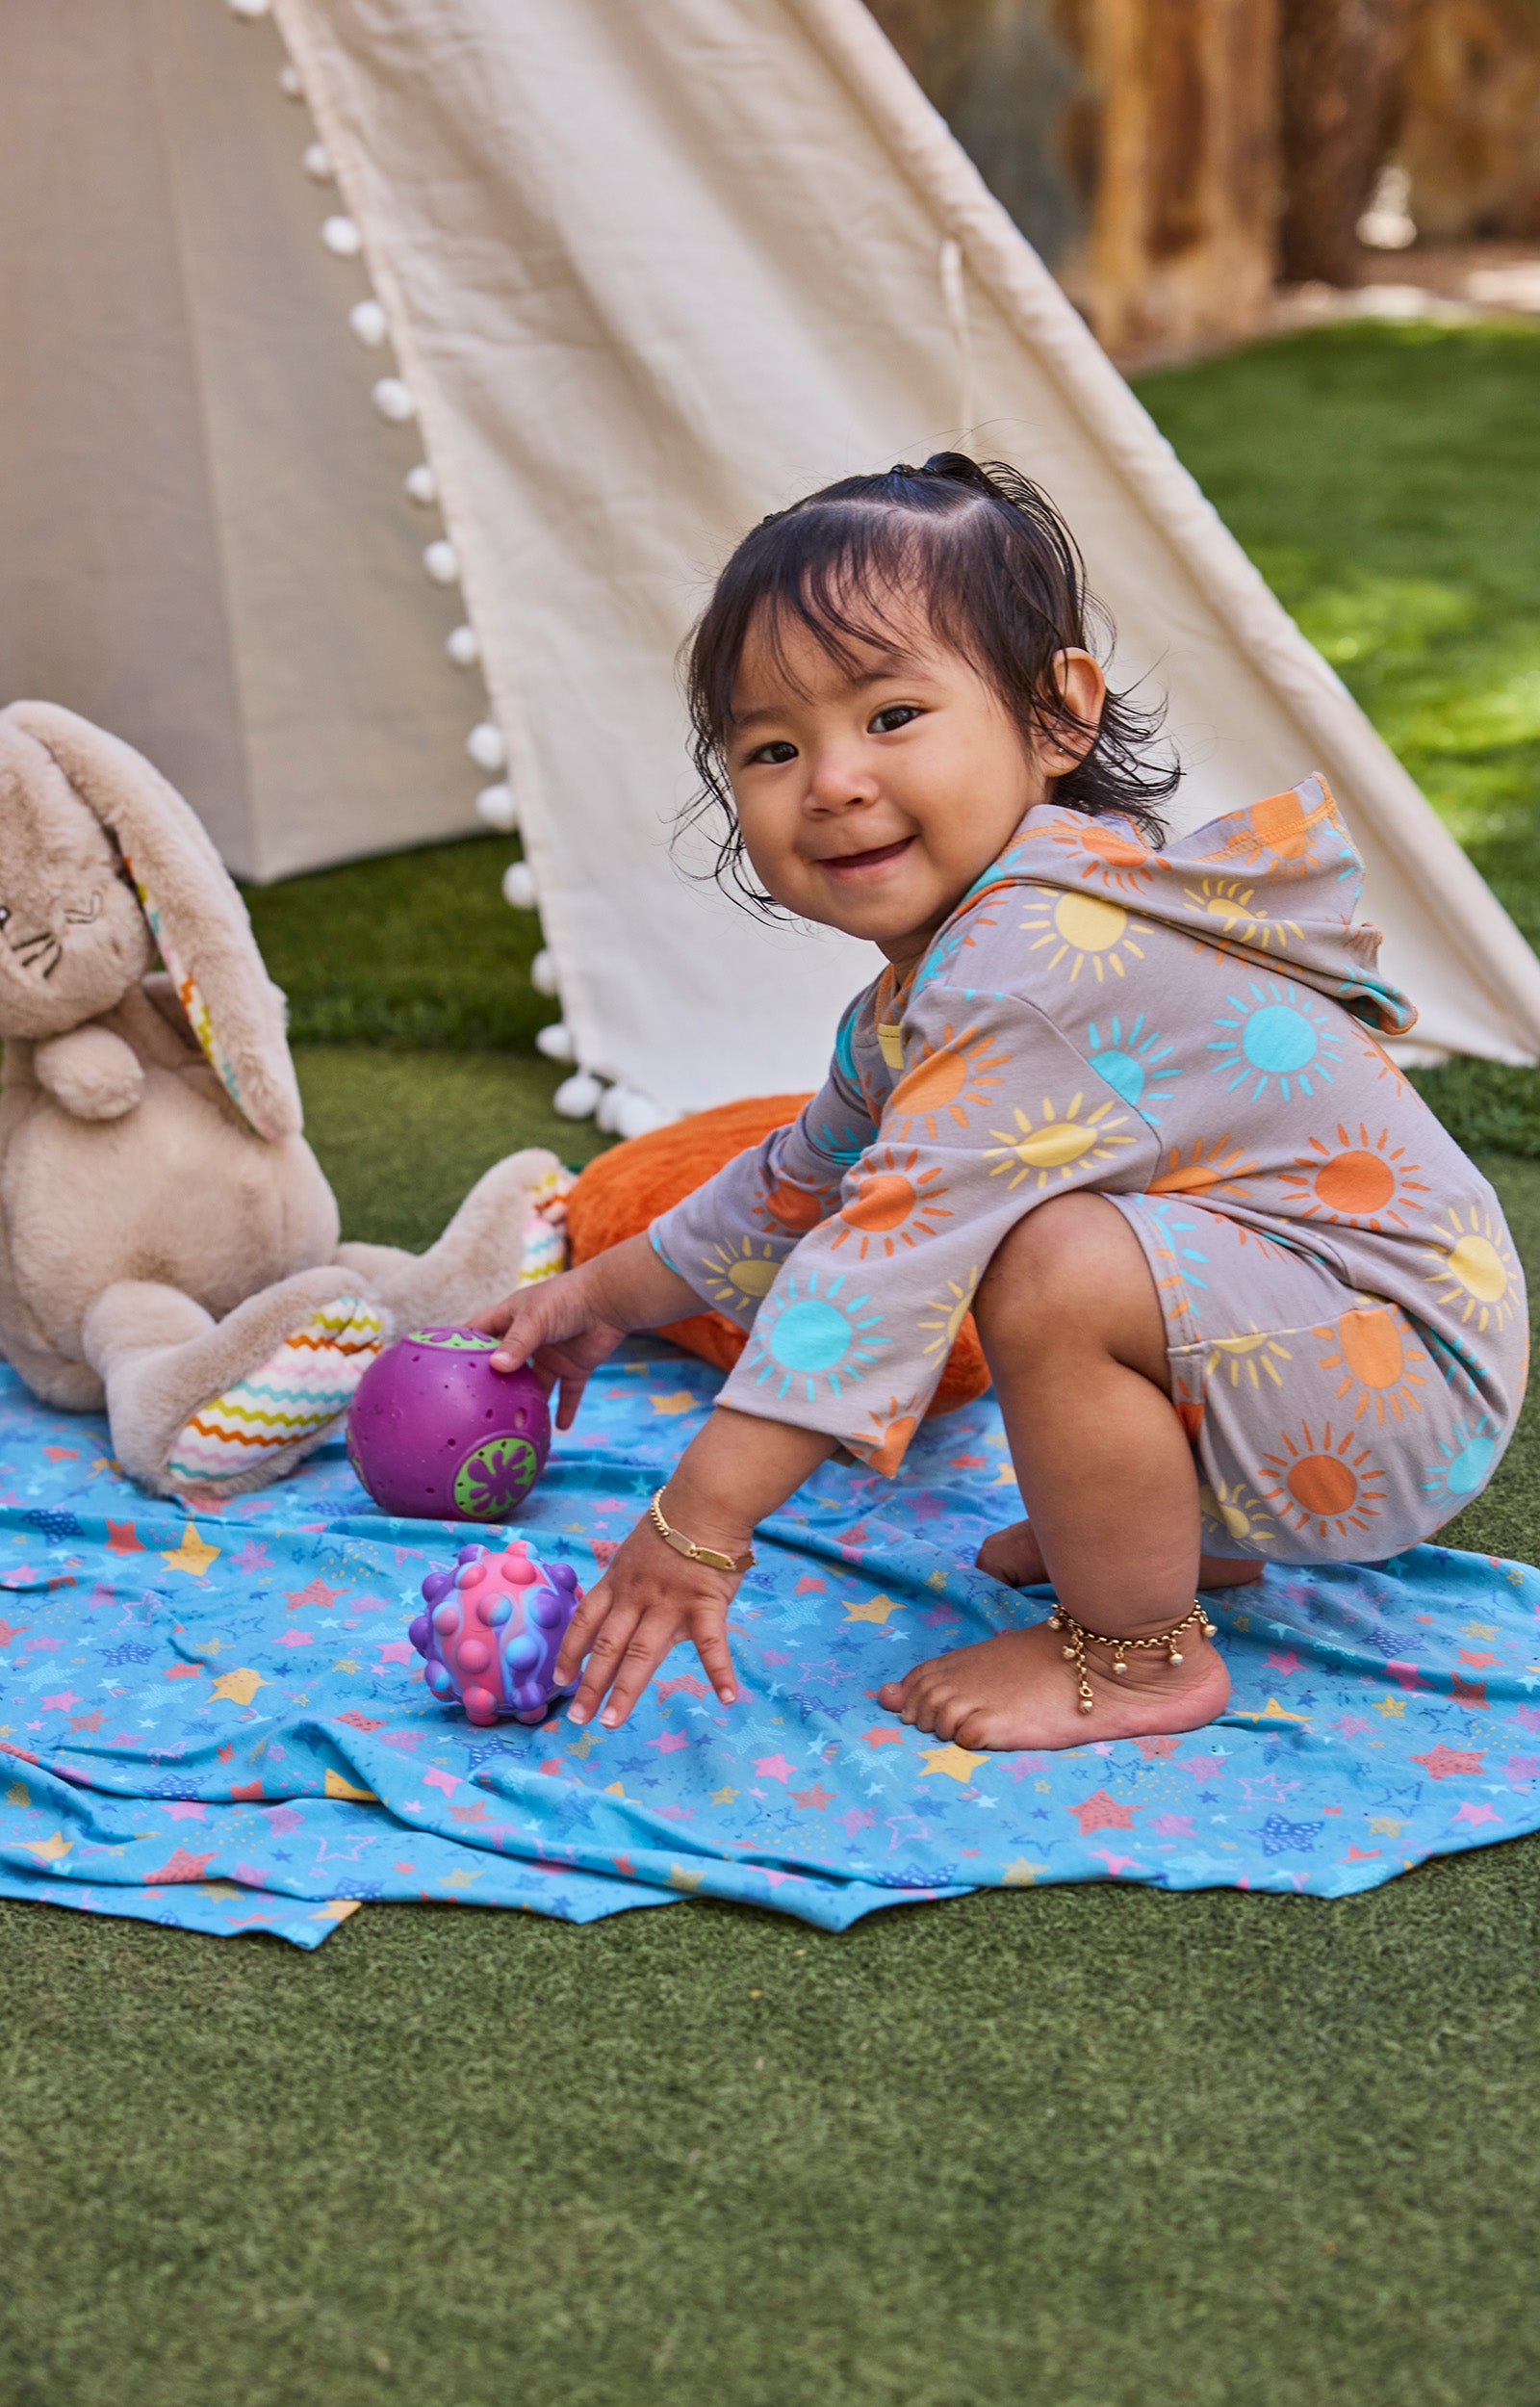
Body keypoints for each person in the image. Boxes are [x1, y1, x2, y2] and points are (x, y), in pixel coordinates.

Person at [475, 454, 1527, 1751]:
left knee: (1046, 1257)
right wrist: (596, 1295)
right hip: (1324, 1347)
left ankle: (1139, 1656)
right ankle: (1164, 1527)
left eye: (894, 715)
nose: (834, 780)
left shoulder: (1028, 965)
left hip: (1392, 1376)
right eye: (771, 746)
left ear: (1056, 714)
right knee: (1041, 1235)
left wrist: (697, 1526)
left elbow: (869, 1270)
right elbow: (792, 1187)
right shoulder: (946, 974)